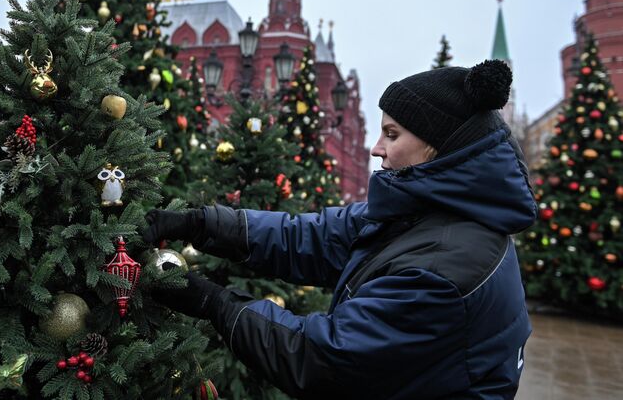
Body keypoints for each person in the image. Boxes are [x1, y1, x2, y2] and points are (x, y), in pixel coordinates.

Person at [144, 59, 536, 399]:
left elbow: (325, 359)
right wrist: (199, 223)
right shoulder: (421, 213)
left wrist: (213, 302)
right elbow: (311, 236)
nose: (376, 147)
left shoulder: (446, 268)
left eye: (393, 134)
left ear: (438, 148)